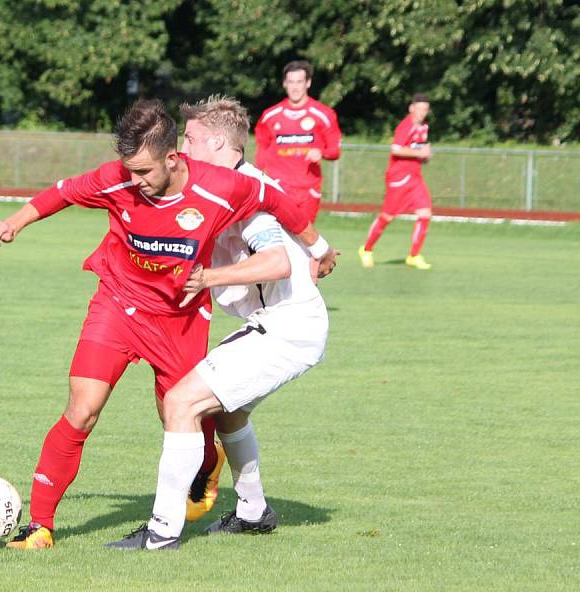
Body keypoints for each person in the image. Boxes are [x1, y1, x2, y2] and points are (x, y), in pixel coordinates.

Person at [0, 99, 331, 550]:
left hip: (180, 317)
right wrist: (13, 223)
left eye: (144, 172)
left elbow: (277, 202)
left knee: (180, 412)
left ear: (172, 159)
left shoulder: (222, 186)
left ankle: (209, 475)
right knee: (82, 407)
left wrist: (318, 246)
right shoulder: (118, 180)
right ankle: (41, 524)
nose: (134, 182)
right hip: (118, 303)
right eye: (129, 170)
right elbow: (63, 192)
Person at [105, 95, 336, 551]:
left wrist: (209, 277)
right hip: (282, 323)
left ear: (215, 142)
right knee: (228, 411)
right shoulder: (236, 182)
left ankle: (162, 530)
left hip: (288, 327)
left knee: (181, 402)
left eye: (189, 139)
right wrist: (319, 247)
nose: (183, 148)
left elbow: (275, 263)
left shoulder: (240, 191)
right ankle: (253, 512)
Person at [254, 60, 342, 224]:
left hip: (308, 190)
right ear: (284, 84)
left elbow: (335, 151)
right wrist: (257, 178)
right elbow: (262, 149)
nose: (295, 87)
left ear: (308, 83)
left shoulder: (324, 114)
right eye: (291, 82)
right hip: (278, 187)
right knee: (278, 238)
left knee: (304, 241)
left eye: (299, 82)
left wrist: (321, 153)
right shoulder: (270, 116)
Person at [359, 94, 433, 270]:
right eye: (419, 108)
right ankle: (367, 249)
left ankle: (413, 256)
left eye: (425, 109)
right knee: (387, 217)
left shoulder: (423, 128)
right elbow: (396, 149)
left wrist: (426, 156)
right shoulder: (405, 126)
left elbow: (419, 152)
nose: (422, 112)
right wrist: (419, 154)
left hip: (415, 178)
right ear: (411, 108)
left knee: (425, 214)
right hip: (398, 178)